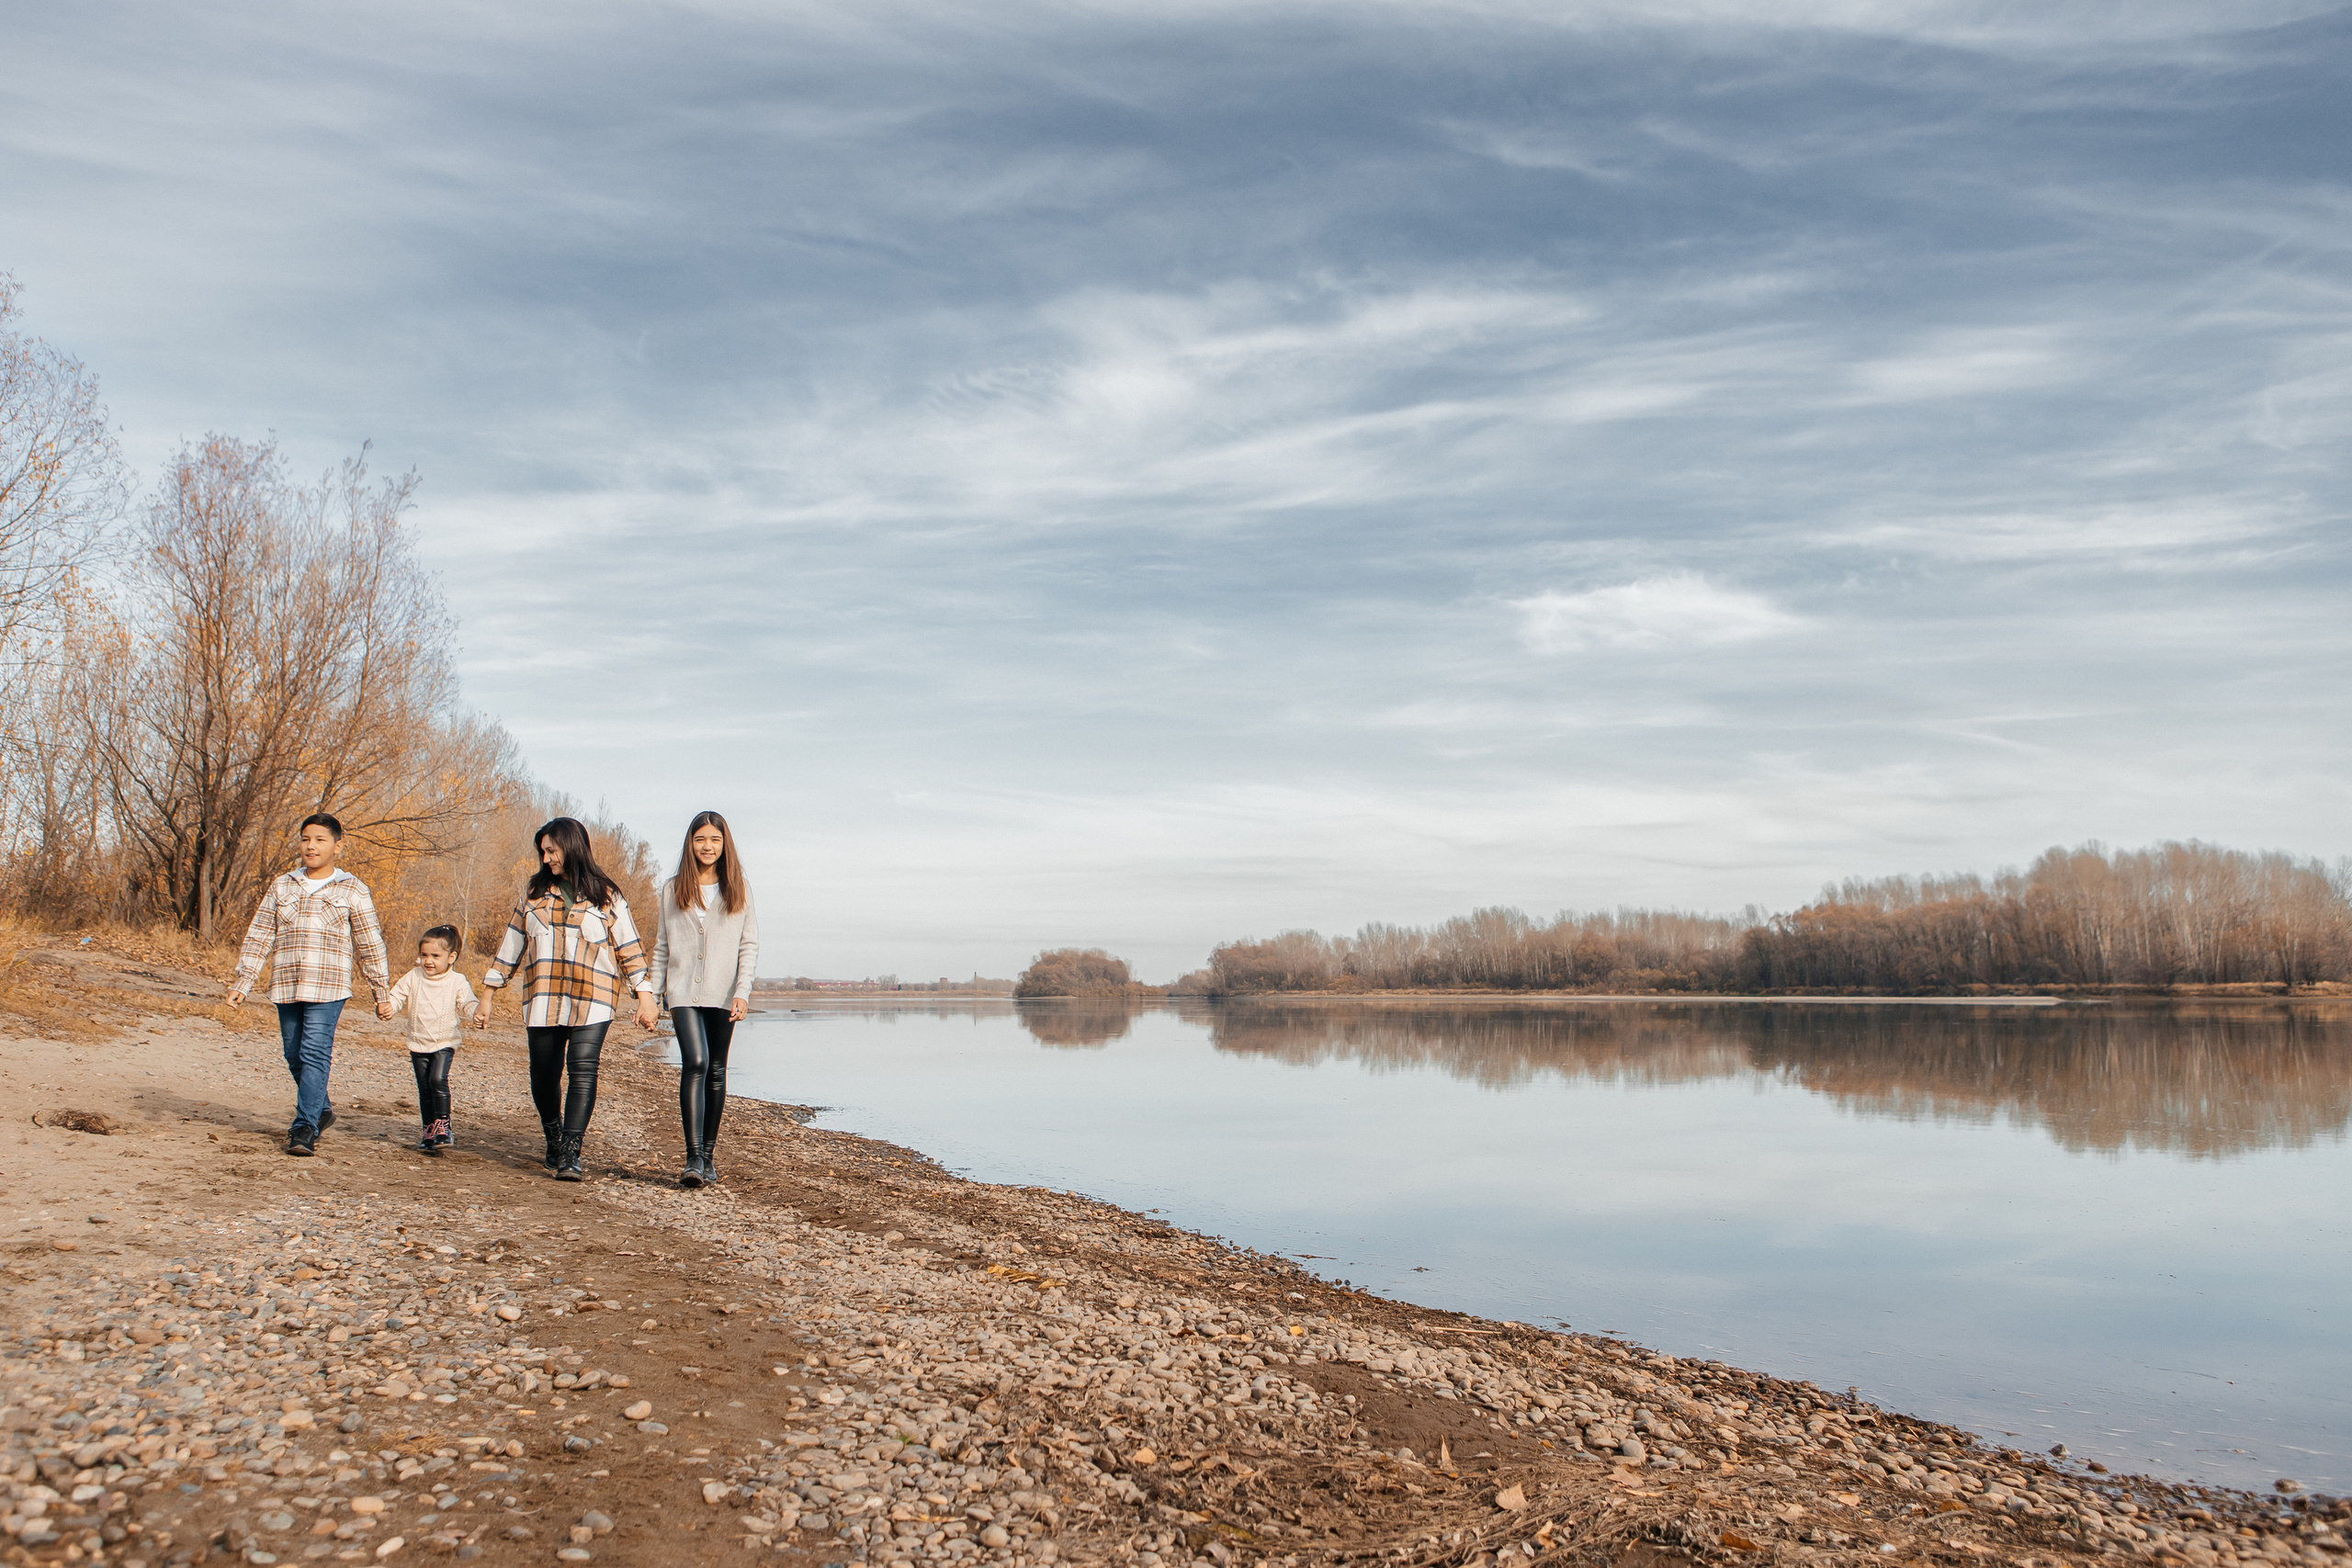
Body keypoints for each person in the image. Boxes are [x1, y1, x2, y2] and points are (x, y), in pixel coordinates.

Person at [474, 817, 655, 1181]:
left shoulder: (608, 896)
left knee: (582, 1068)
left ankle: (571, 1152)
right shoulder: (533, 896)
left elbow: (630, 951)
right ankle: (553, 1135)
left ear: (572, 847)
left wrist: (645, 997)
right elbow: (510, 946)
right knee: (544, 1074)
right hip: (542, 998)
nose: (546, 859)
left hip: (595, 998)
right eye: (542, 852)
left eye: (552, 850)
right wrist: (487, 994)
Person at [226, 812, 392, 1157]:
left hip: (329, 987)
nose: (311, 846)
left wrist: (381, 991)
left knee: (314, 1051)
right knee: (293, 1052)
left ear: (337, 846)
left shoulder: (352, 888)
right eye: (305, 839)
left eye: (320, 840)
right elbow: (259, 934)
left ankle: (304, 1127)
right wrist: (243, 981)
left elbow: (369, 942)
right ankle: (322, 1108)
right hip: (287, 983)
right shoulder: (283, 885)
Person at [636, 810, 760, 1189]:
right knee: (696, 1061)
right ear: (690, 843)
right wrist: (652, 996)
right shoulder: (673, 889)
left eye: (715, 840)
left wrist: (742, 992)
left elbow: (748, 945)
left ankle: (708, 1157)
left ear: (725, 845)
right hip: (683, 991)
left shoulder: (738, 888)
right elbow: (661, 947)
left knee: (717, 1070)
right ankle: (691, 1158)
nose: (708, 846)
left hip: (723, 994)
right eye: (701, 839)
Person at [379, 925, 480, 1155]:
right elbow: (397, 995)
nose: (428, 961)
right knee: (424, 1088)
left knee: (437, 1080)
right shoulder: (414, 976)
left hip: (445, 1041)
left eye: (436, 956)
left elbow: (468, 1002)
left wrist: (476, 1013)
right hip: (418, 1041)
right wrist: (389, 1007)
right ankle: (428, 1131)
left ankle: (444, 1127)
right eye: (424, 955)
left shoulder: (457, 980)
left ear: (451, 957)